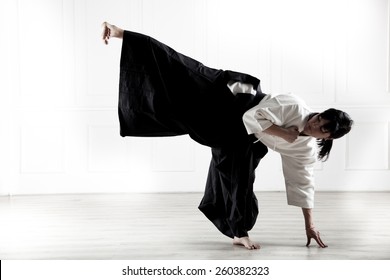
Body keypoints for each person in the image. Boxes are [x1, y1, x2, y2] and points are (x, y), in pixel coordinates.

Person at [101, 22, 353, 250]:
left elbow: (303, 183)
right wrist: (283, 133)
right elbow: (251, 117)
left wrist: (309, 225)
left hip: (241, 137)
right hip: (236, 97)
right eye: (319, 117)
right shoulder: (295, 106)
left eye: (321, 127)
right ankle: (121, 33)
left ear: (328, 137)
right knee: (186, 71)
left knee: (238, 180)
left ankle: (238, 232)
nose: (314, 122)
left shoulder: (305, 150)